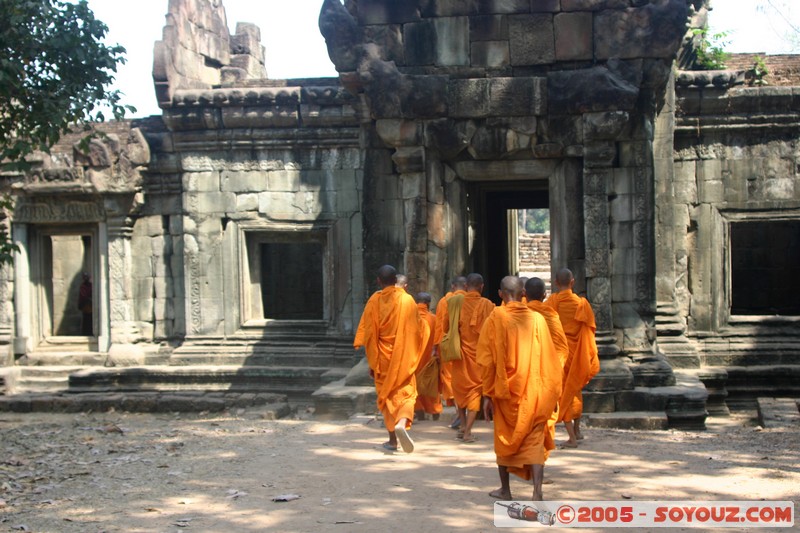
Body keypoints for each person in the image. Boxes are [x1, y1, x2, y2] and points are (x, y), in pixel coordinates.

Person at [477, 276, 561, 501]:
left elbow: (486, 361)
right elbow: (550, 359)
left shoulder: (495, 317)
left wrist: (487, 394)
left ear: (501, 294)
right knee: (535, 440)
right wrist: (552, 393)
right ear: (523, 292)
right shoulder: (537, 320)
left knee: (503, 438)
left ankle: (505, 490)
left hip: (504, 393)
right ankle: (537, 492)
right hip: (534, 392)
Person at [353, 265, 429, 453]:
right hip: (403, 357)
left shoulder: (374, 301)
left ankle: (393, 441)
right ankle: (402, 422)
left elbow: (369, 333)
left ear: (378, 281)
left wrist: (373, 358)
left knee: (387, 397)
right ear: (396, 280)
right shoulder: (407, 300)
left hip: (383, 360)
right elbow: (419, 329)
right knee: (407, 394)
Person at [546, 268, 600, 448]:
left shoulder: (552, 302)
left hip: (560, 354)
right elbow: (590, 328)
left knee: (565, 393)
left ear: (555, 283)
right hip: (578, 354)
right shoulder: (582, 304)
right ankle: (577, 430)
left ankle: (572, 438)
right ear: (573, 282)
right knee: (575, 389)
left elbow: (546, 326)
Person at [440, 273, 495, 443]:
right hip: (479, 356)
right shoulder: (487, 305)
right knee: (474, 392)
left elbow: (446, 326)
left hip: (460, 354)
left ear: (465, 287)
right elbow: (493, 331)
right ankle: (467, 431)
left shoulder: (455, 302)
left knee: (460, 391)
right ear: (482, 287)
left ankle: (464, 425)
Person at [525, 277, 569, 461]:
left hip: (524, 377)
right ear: (545, 295)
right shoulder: (551, 316)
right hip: (547, 379)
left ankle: (526, 461)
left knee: (525, 419)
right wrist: (552, 372)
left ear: (524, 295)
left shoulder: (518, 316)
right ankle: (539, 462)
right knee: (543, 421)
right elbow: (562, 348)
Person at [434, 276, 466, 428]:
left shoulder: (444, 301)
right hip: (468, 346)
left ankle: (459, 412)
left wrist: (435, 347)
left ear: (453, 286)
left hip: (448, 345)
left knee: (449, 378)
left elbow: (441, 325)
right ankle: (465, 412)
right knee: (467, 378)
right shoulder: (473, 301)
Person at [413, 292, 442, 420]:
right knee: (431, 386)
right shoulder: (434, 319)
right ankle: (435, 413)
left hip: (412, 360)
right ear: (428, 304)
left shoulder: (409, 318)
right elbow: (438, 340)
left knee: (415, 386)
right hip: (429, 360)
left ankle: (419, 413)